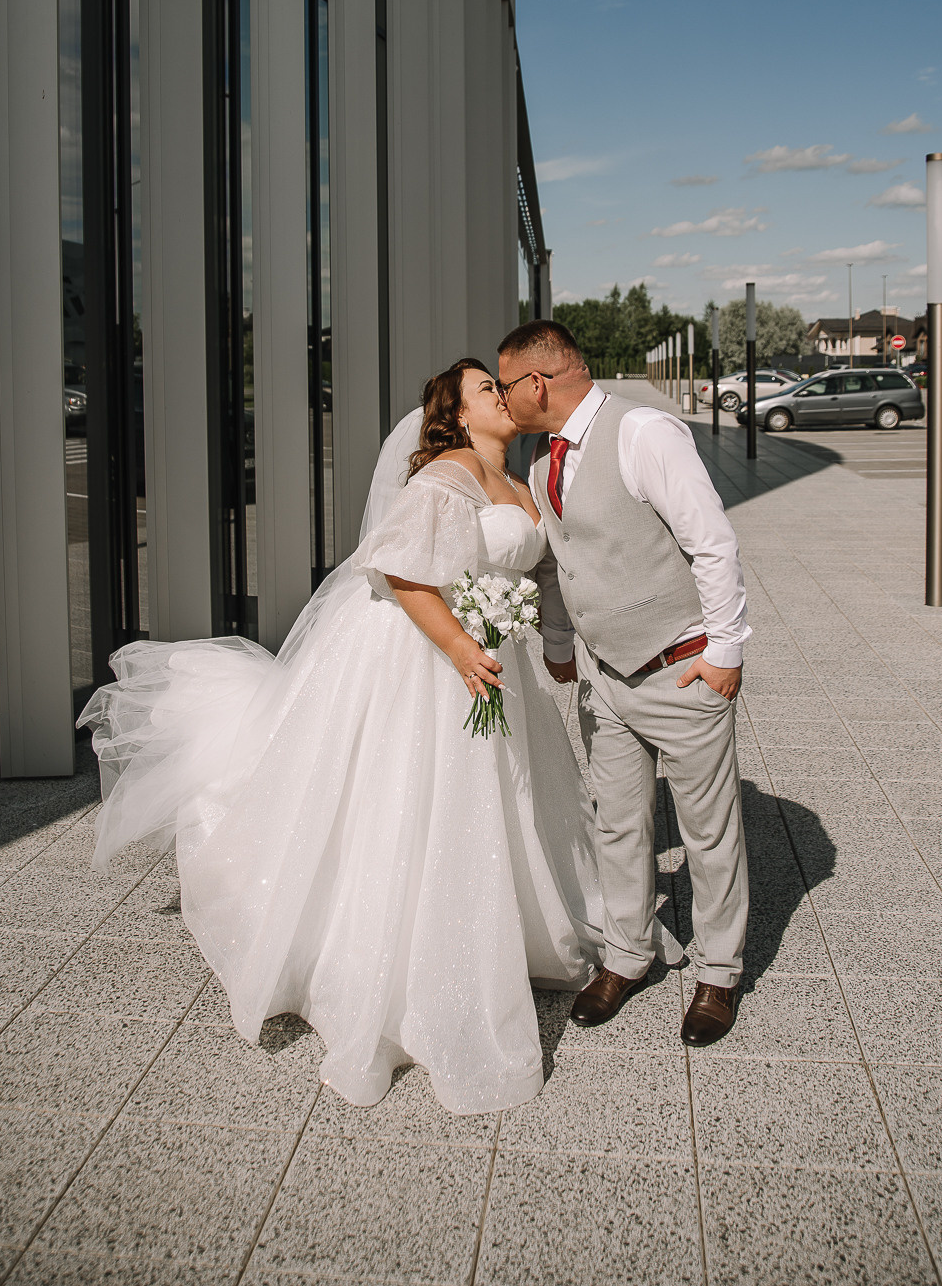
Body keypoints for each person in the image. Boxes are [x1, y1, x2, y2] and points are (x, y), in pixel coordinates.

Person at [78, 359, 624, 1114]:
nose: (501, 396)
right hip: (430, 659)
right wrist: (462, 648)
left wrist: (547, 642)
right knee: (417, 800)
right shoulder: (445, 477)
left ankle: (517, 928)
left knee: (500, 801)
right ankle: (406, 963)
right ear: (459, 416)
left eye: (501, 387)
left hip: (495, 662)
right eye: (485, 390)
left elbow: (541, 571)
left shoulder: (522, 485)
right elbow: (400, 574)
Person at [498, 320, 750, 1045]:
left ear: (537, 383)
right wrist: (557, 643)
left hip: (679, 670)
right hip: (604, 676)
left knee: (709, 833)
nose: (506, 397)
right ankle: (627, 955)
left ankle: (719, 973)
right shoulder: (545, 457)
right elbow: (558, 560)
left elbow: (712, 541)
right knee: (617, 821)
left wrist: (725, 652)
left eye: (508, 383)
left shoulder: (643, 433)